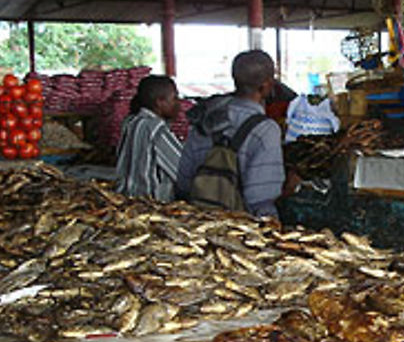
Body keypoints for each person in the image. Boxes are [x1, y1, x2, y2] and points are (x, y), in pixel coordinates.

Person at [176, 50, 285, 219]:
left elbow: (183, 180)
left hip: (199, 222)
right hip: (240, 229)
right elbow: (260, 198)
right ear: (266, 86)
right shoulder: (266, 130)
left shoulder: (206, 117)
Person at [115, 75, 183, 202]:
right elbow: (182, 171)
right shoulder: (155, 127)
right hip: (150, 202)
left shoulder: (130, 122)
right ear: (160, 102)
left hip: (123, 197)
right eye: (175, 98)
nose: (178, 103)